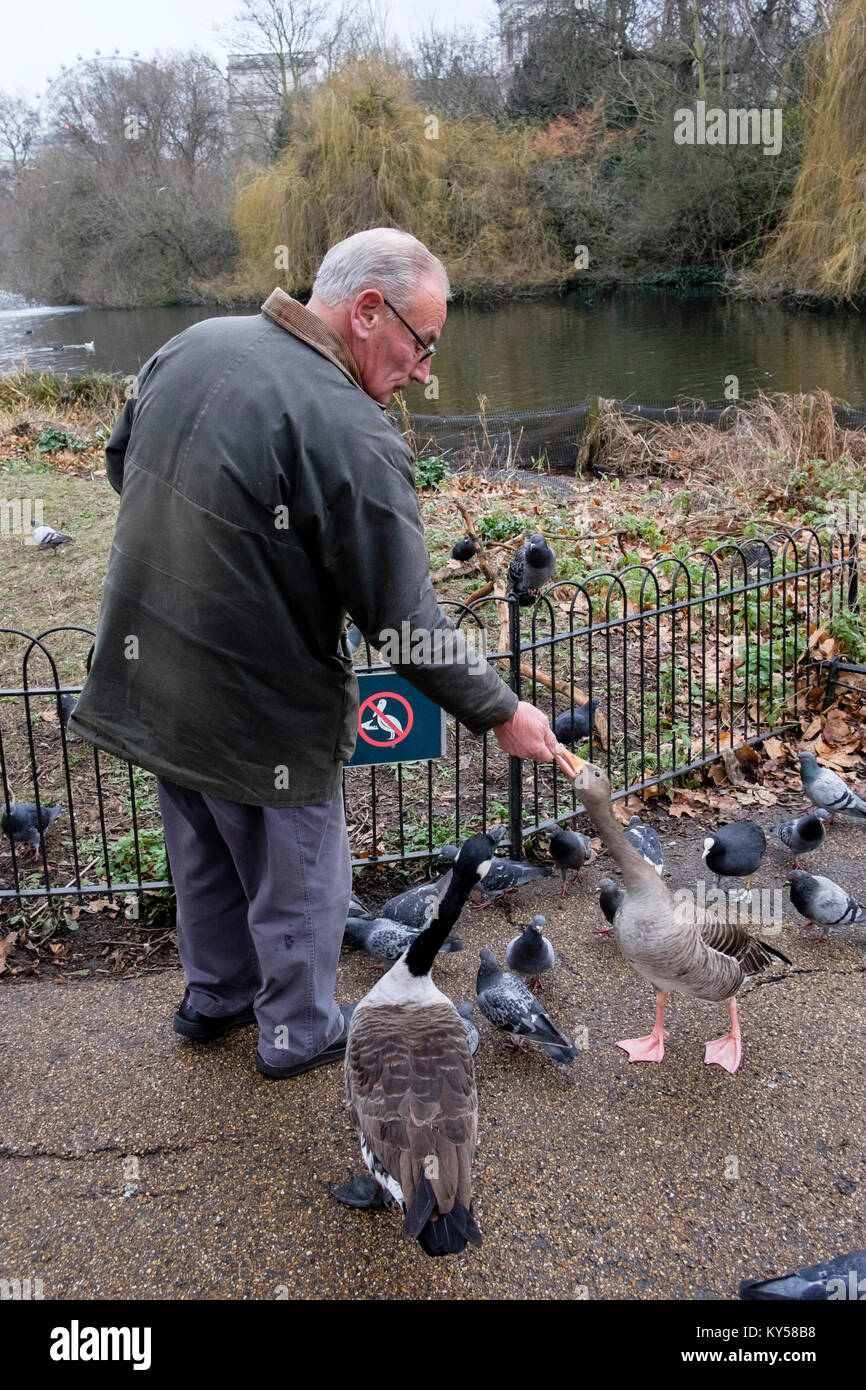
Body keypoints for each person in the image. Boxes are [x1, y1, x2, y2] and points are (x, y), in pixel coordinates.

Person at [69, 227, 559, 1078]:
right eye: (423, 341)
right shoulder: (351, 430)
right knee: (299, 882)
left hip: (155, 679)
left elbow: (124, 467)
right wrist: (501, 710)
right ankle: (297, 1030)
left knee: (202, 851)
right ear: (368, 310)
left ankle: (215, 996)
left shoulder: (193, 344)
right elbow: (403, 620)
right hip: (263, 708)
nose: (426, 369)